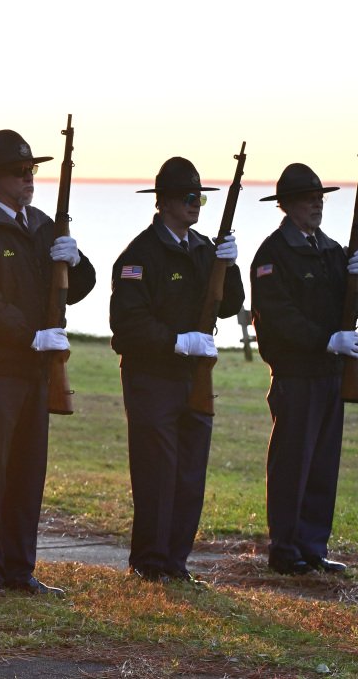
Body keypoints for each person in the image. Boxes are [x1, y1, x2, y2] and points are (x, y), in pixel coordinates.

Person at [0, 129, 96, 597]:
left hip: (35, 369)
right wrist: (31, 334)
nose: (28, 179)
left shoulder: (43, 226)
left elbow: (77, 285)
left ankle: (20, 568)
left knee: (29, 471)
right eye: (18, 172)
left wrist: (78, 260)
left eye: (31, 170)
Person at [109, 157, 244, 585]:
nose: (196, 205)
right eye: (188, 198)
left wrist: (231, 264)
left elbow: (230, 304)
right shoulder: (140, 255)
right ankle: (149, 561)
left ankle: (176, 562)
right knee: (157, 471)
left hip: (192, 379)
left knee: (189, 472)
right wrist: (177, 340)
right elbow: (127, 325)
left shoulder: (204, 249)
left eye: (199, 197)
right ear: (164, 202)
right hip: (152, 378)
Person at [249, 163, 358, 576]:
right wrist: (325, 339)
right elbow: (279, 316)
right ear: (286, 206)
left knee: (322, 463)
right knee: (293, 463)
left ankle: (313, 547)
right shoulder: (273, 254)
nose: (316, 205)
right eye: (307, 199)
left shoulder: (330, 249)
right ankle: (285, 549)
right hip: (296, 373)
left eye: (319, 198)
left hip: (329, 374)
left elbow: (351, 301)